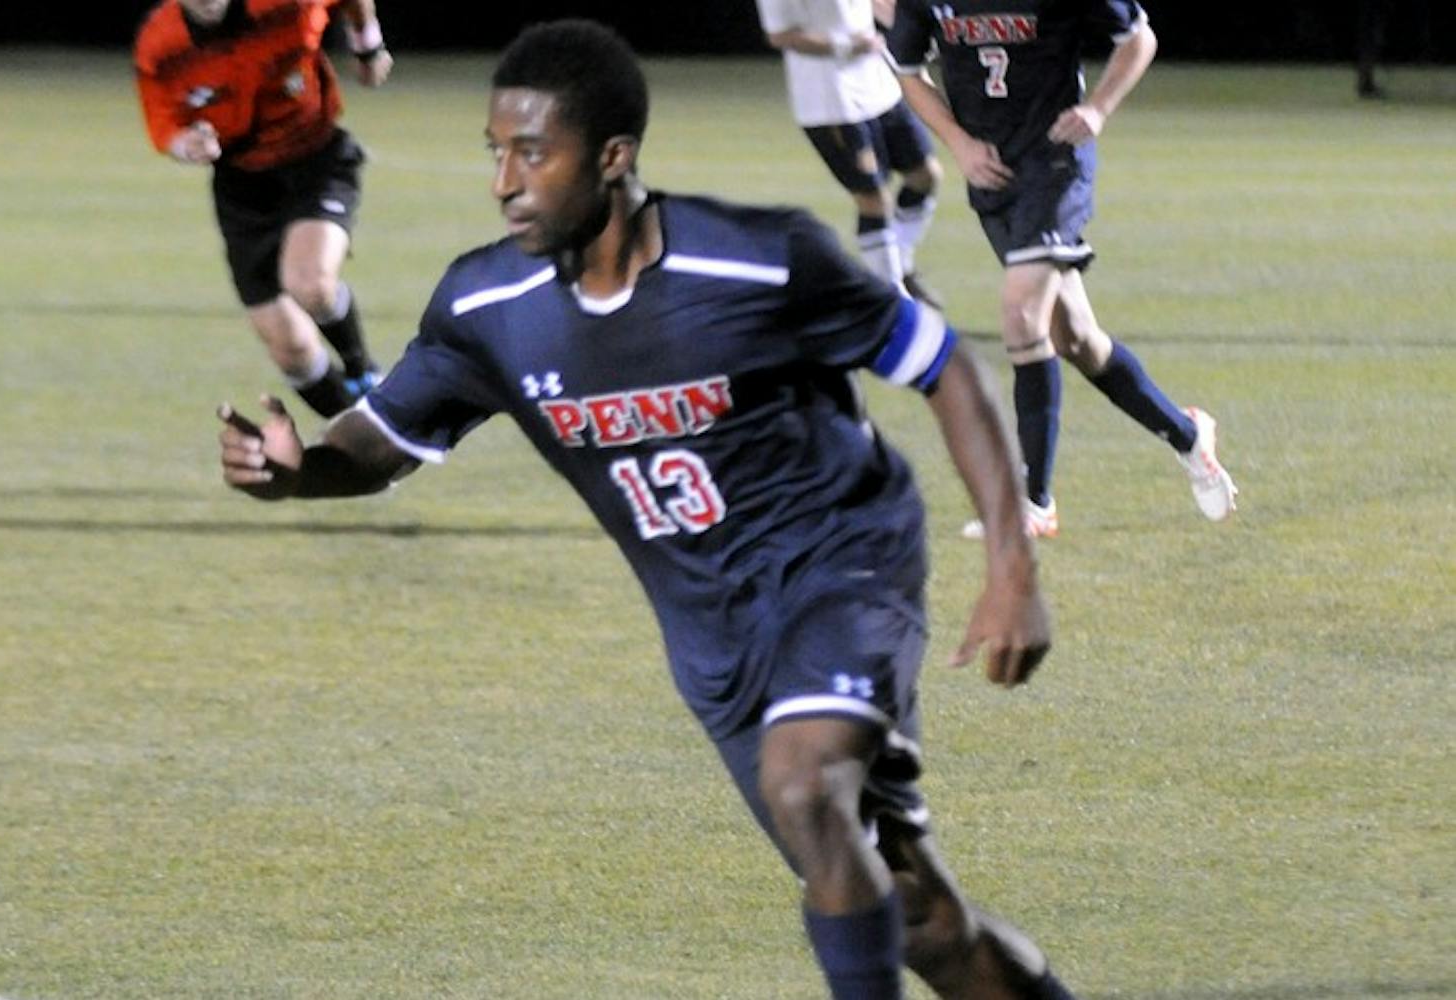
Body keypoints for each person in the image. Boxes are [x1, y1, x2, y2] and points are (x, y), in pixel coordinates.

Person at [218, 19, 1084, 999]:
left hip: (841, 565)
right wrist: (304, 470)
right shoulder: (484, 307)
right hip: (709, 634)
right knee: (917, 914)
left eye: (533, 153)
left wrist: (1013, 568)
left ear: (614, 157)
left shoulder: (756, 260)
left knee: (807, 789)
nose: (505, 179)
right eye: (495, 152)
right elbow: (380, 448)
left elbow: (944, 367)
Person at [884, 0, 1237, 539]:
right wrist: (959, 145)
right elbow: (907, 71)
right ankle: (1188, 434)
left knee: (1021, 313)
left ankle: (1035, 503)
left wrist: (1097, 109)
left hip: (1055, 164)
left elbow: (1139, 38)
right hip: (991, 173)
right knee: (1076, 339)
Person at [135, 0, 394, 418]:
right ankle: (363, 444)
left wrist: (368, 47)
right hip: (242, 186)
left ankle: (362, 370)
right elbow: (165, 124)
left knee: (309, 284)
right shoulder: (161, 43)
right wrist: (190, 144)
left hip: (316, 160)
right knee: (289, 348)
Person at [754, 0, 946, 306]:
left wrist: (915, 32)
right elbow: (779, 35)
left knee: (925, 175)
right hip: (831, 99)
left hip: (877, 83)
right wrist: (846, 44)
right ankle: (893, 298)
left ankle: (901, 262)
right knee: (874, 199)